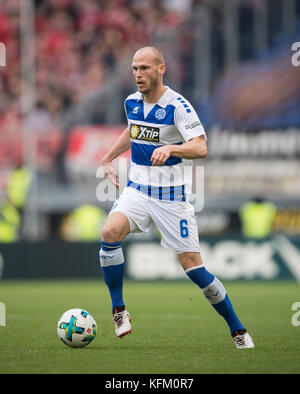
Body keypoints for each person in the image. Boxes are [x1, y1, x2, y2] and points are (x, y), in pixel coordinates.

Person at [100, 46, 254, 349]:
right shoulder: (131, 102)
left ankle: (238, 330)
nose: (138, 75)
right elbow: (132, 131)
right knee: (109, 232)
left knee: (194, 269)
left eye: (144, 68)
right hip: (137, 190)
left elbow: (200, 147)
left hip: (172, 198)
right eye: (134, 69)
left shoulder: (178, 106)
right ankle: (119, 311)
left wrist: (172, 148)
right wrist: (107, 158)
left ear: (161, 69)